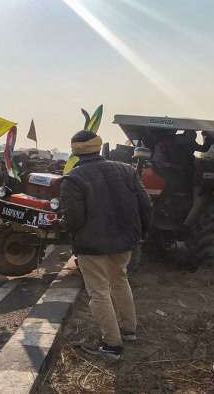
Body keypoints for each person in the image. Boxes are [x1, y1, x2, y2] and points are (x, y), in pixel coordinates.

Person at [60, 130, 152, 360]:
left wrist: (70, 233)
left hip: (91, 246)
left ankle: (112, 345)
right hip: (124, 242)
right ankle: (129, 330)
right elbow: (146, 206)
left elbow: (73, 219)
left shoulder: (73, 178)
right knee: (120, 281)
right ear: (99, 147)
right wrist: (142, 233)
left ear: (74, 151)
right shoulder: (127, 170)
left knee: (99, 291)